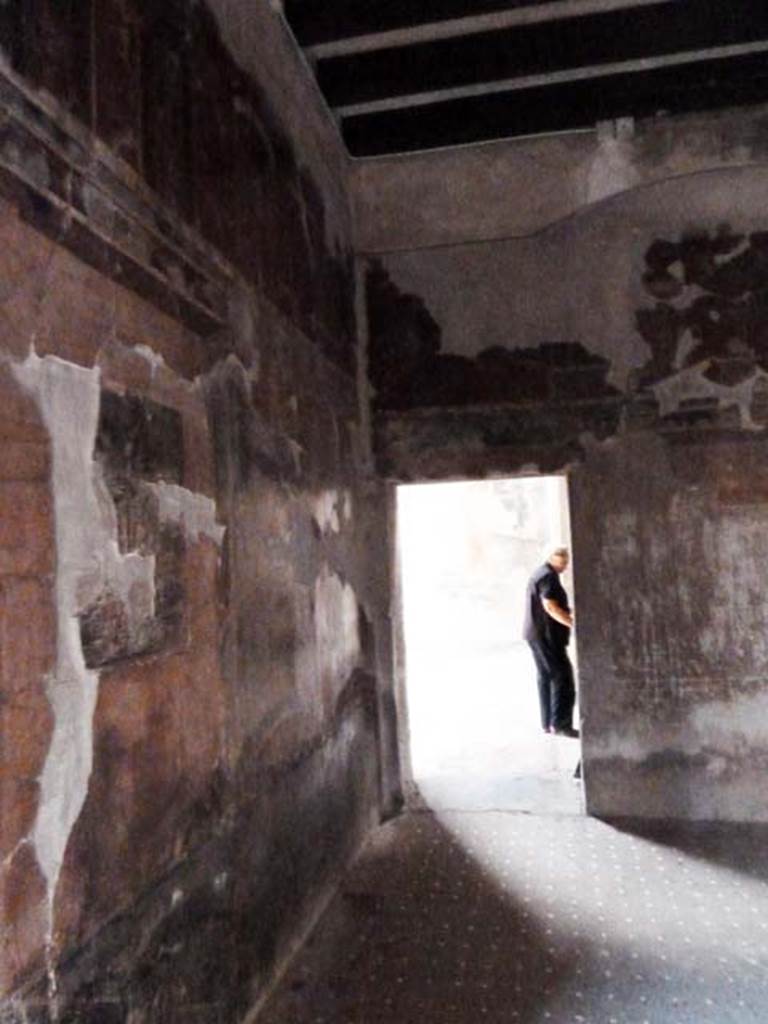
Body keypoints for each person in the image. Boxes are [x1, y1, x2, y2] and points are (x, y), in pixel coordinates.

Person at [523, 545, 578, 738]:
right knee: (562, 677)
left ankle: (548, 723)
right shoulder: (548, 576)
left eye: (566, 562)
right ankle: (560, 724)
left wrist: (568, 612)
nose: (565, 566)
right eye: (562, 562)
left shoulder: (541, 573)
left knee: (545, 676)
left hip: (537, 635)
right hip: (547, 636)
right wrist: (572, 623)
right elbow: (550, 607)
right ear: (553, 558)